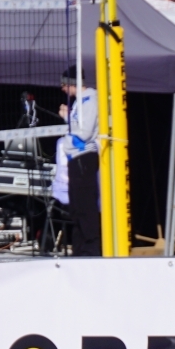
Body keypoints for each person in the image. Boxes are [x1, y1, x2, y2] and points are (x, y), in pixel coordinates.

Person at [58, 67, 101, 257]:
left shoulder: (90, 99)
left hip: (84, 158)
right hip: (74, 159)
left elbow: (84, 133)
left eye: (64, 84)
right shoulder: (79, 103)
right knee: (75, 209)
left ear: (72, 83)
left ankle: (91, 250)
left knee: (85, 207)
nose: (62, 89)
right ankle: (79, 250)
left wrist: (66, 117)